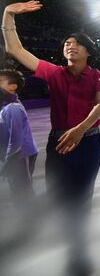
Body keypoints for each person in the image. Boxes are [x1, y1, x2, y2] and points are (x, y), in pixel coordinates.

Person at [3, 0, 100, 276]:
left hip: (88, 142)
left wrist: (81, 128)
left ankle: (79, 250)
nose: (69, 46)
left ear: (88, 51)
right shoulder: (53, 73)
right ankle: (70, 239)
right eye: (66, 44)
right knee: (59, 195)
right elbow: (15, 49)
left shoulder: (98, 76)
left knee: (82, 196)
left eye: (76, 43)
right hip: (58, 142)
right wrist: (8, 15)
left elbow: (99, 105)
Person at [0, 69, 39, 212]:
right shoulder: (6, 105)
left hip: (20, 155)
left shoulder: (13, 108)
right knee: (17, 186)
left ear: (13, 86)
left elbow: (16, 140)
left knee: (22, 188)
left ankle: (29, 218)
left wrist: (8, 160)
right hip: (15, 155)